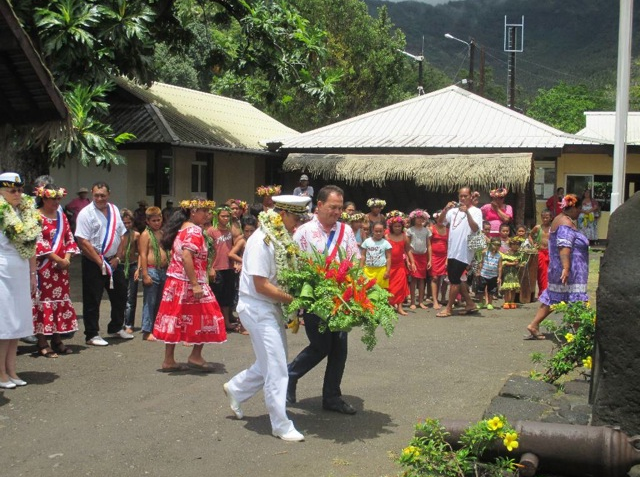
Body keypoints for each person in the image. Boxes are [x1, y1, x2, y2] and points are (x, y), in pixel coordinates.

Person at [223, 195, 311, 442]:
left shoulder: (281, 237)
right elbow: (261, 285)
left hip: (269, 307)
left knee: (273, 359)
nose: (297, 224)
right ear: (281, 214)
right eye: (295, 218)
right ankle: (280, 424)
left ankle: (237, 389)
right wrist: (293, 300)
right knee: (277, 366)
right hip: (257, 307)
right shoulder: (262, 240)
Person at [287, 185, 361, 415]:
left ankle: (332, 396)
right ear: (319, 206)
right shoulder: (303, 232)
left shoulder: (345, 231)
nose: (337, 212)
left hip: (341, 297)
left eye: (340, 208)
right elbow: (294, 265)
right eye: (332, 207)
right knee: (321, 345)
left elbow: (355, 259)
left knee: (339, 348)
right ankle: (290, 375)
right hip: (315, 297)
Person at [153, 199, 227, 370]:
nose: (207, 215)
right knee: (208, 315)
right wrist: (195, 284)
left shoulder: (182, 228)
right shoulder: (194, 230)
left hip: (176, 282)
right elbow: (187, 256)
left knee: (175, 318)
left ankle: (169, 360)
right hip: (189, 282)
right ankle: (195, 356)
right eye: (204, 211)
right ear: (193, 212)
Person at [75, 182, 134, 346]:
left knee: (120, 294)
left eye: (103, 195)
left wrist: (118, 257)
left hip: (113, 261)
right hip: (93, 261)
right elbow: (82, 240)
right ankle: (92, 334)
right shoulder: (85, 213)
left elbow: (122, 234)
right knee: (92, 298)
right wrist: (99, 261)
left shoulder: (114, 210)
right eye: (96, 195)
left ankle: (115, 327)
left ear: (109, 194)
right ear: (92, 195)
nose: (99, 198)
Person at [526, 194, 588, 340]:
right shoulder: (565, 223)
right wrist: (566, 268)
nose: (579, 212)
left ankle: (534, 325)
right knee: (575, 300)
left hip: (562, 268)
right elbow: (564, 246)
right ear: (573, 207)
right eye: (579, 209)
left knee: (555, 296)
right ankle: (580, 334)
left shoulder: (561, 219)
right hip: (569, 270)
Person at [0, 173, 40, 388]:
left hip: (21, 270)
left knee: (17, 322)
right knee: (4, 323)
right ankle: (1, 373)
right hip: (3, 270)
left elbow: (31, 245)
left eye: (19, 190)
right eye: (11, 191)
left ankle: (12, 369)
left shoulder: (26, 211)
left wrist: (33, 273)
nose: (17, 194)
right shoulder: (1, 212)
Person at [33, 184, 79, 357]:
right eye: (53, 199)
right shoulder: (36, 216)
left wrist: (66, 258)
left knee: (59, 301)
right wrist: (57, 259)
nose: (56, 202)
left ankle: (57, 339)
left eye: (58, 198)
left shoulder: (62, 216)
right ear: (43, 198)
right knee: (43, 302)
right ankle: (42, 341)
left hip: (61, 270)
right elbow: (38, 242)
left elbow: (69, 237)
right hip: (44, 268)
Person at [435, 187, 483, 318]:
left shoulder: (476, 211)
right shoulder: (453, 211)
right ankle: (470, 303)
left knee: (454, 281)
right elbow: (439, 222)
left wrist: (467, 213)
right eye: (461, 196)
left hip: (464, 251)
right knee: (456, 278)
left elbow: (475, 228)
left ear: (471, 196)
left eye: (465, 196)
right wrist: (445, 209)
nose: (462, 198)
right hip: (452, 250)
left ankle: (449, 308)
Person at [138, 206, 170, 341]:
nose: (157, 223)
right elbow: (143, 255)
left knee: (160, 301)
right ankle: (147, 330)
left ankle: (156, 327)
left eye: (159, 220)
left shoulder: (162, 233)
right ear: (148, 221)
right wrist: (145, 274)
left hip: (163, 270)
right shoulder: (145, 235)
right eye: (154, 221)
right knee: (149, 301)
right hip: (151, 270)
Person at [207, 206, 238, 332]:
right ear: (217, 216)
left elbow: (236, 244)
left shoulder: (231, 230)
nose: (225, 218)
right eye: (223, 216)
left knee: (227, 297)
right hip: (217, 268)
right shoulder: (211, 231)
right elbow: (208, 251)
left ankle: (226, 322)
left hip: (228, 267)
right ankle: (214, 323)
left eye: (227, 216)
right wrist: (210, 268)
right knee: (216, 297)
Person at [406, 209, 432, 310]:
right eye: (418, 217)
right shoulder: (410, 230)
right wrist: (410, 261)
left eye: (422, 218)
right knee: (413, 279)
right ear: (414, 219)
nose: (420, 219)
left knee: (422, 279)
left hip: (423, 257)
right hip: (414, 255)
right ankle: (412, 301)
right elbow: (407, 247)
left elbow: (429, 245)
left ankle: (421, 301)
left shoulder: (427, 231)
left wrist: (430, 260)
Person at [121, 209, 140, 334]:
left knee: (131, 297)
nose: (126, 225)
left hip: (132, 265)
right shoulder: (117, 234)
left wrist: (139, 268)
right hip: (119, 266)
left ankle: (129, 324)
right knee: (119, 296)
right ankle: (118, 322)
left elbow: (140, 253)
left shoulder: (136, 235)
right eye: (124, 223)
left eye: (129, 223)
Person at [360, 222, 392, 289]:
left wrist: (387, 271)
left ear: (384, 231)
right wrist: (361, 269)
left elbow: (388, 258)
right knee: (367, 289)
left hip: (381, 271)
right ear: (372, 231)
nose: (378, 233)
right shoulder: (367, 242)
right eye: (376, 231)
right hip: (368, 271)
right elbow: (363, 256)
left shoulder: (386, 243)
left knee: (381, 291)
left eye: (380, 231)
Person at [529, 209, 552, 296]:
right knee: (542, 273)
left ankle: (550, 292)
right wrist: (533, 245)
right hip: (540, 252)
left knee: (550, 273)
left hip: (550, 252)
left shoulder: (553, 227)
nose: (545, 219)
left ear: (550, 218)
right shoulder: (538, 227)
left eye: (547, 217)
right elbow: (530, 235)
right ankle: (543, 292)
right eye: (543, 218)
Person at [475, 238, 502, 310]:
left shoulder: (499, 256)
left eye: (498, 245)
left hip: (493, 276)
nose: (496, 247)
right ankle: (481, 302)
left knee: (491, 290)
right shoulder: (486, 253)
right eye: (495, 245)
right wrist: (479, 271)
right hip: (483, 274)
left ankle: (490, 303)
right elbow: (481, 262)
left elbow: (500, 267)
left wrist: (499, 277)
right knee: (481, 289)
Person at [429, 210, 449, 310]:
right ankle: (435, 301)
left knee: (444, 279)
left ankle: (443, 298)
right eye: (439, 217)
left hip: (445, 256)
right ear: (436, 218)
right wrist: (429, 259)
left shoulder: (448, 230)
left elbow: (449, 245)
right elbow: (428, 244)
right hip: (434, 256)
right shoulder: (431, 228)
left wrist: (447, 259)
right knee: (435, 278)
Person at [500, 237, 523, 309]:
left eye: (517, 244)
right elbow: (504, 262)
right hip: (507, 273)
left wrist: (520, 265)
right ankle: (506, 301)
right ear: (510, 245)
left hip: (514, 273)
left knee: (513, 288)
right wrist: (513, 263)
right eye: (514, 244)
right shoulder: (506, 253)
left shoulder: (519, 254)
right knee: (507, 288)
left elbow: (520, 263)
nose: (515, 246)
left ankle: (512, 301)